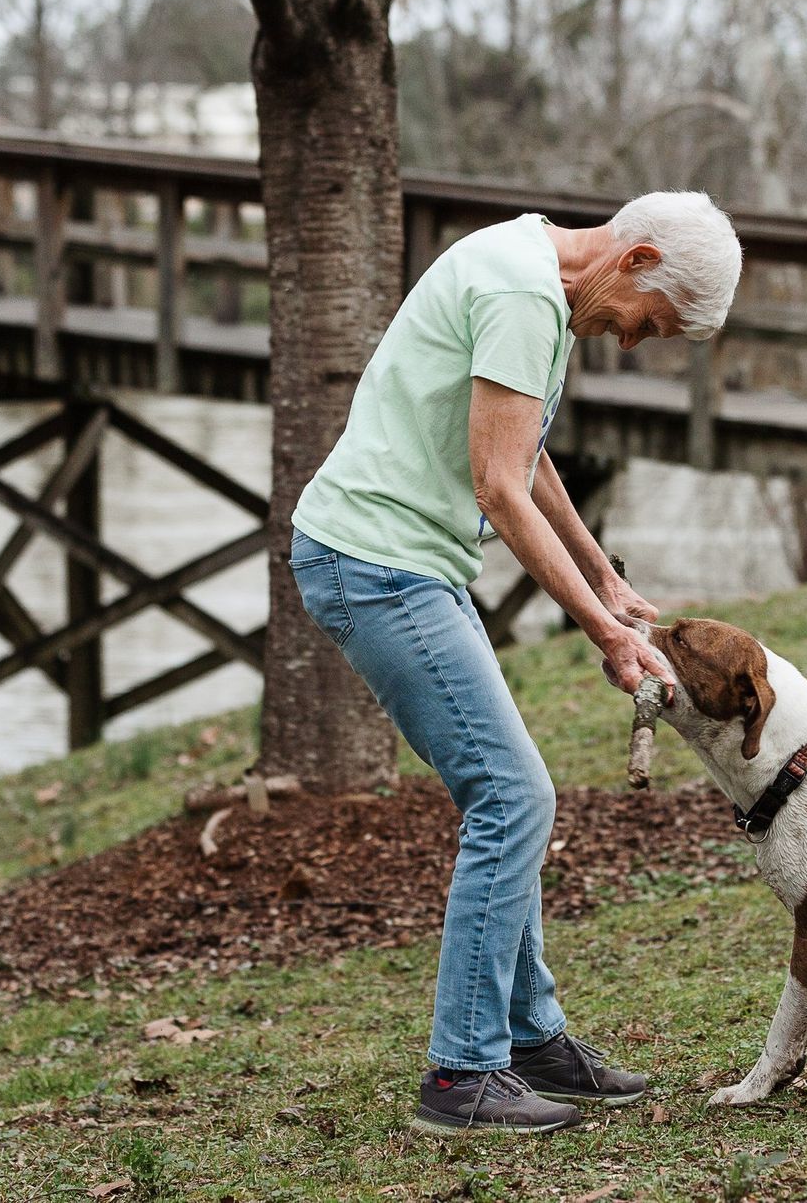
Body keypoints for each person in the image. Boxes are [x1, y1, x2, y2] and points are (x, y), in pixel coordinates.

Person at [287, 193, 741, 1135]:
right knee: (515, 796)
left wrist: (604, 579)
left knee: (508, 796)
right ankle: (461, 1077)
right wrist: (602, 633)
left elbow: (523, 456)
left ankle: (530, 1040)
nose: (630, 343)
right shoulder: (521, 292)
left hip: (408, 562)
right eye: (647, 323)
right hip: (376, 565)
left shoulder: (547, 284)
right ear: (638, 256)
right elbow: (496, 486)